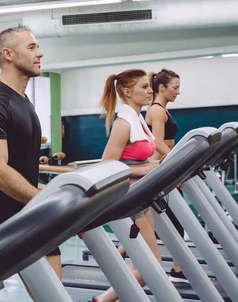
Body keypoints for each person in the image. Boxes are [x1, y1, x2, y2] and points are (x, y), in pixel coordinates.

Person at [0, 25, 60, 299]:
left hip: (28, 216)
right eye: (31, 47)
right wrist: (43, 200)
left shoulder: (24, 102)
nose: (40, 53)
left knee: (52, 295)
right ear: (8, 54)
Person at [91, 69, 161, 302]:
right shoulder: (123, 123)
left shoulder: (138, 118)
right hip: (128, 200)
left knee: (139, 263)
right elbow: (107, 166)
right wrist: (143, 170)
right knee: (150, 267)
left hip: (141, 197)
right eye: (144, 87)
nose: (150, 91)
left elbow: (144, 158)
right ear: (128, 92)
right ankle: (102, 300)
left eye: (149, 86)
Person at [145, 68, 187, 283]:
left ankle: (120, 251)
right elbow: (158, 143)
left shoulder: (162, 110)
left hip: (164, 166)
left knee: (151, 220)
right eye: (175, 87)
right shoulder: (158, 111)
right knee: (171, 219)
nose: (178, 92)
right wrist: (179, 162)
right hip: (159, 169)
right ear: (162, 88)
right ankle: (178, 268)